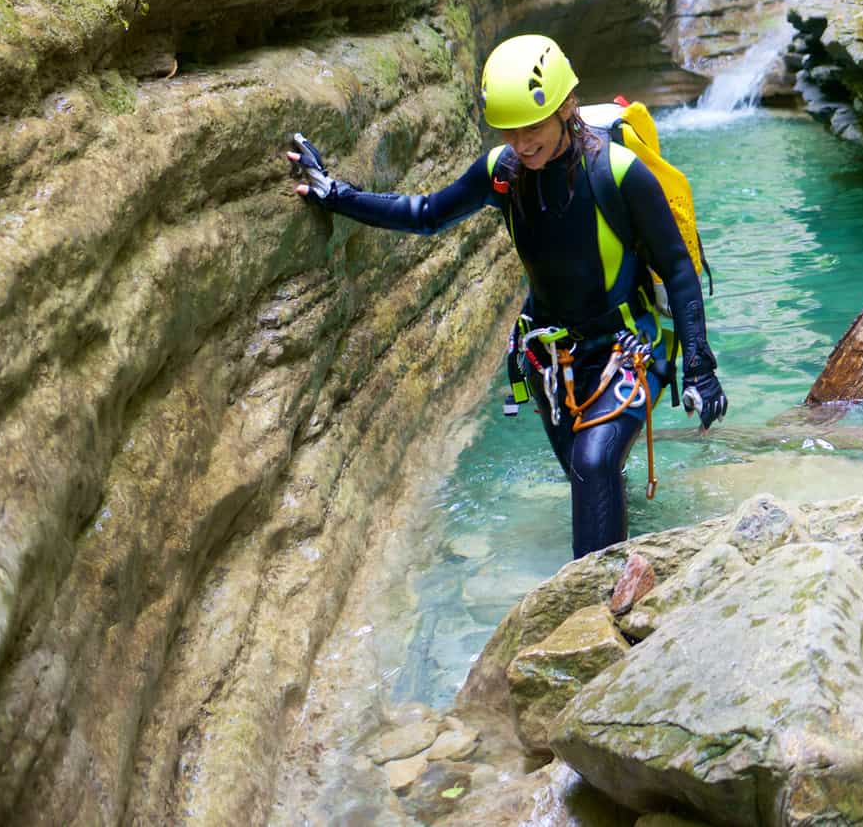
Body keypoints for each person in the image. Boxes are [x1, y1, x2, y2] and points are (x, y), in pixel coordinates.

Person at [284, 33, 724, 558]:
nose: (522, 143)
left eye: (532, 127)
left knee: (593, 463)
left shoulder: (619, 173)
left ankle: (594, 612)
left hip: (627, 345)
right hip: (549, 356)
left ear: (566, 107)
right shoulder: (503, 173)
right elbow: (425, 215)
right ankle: (626, 558)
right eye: (509, 131)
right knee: (584, 470)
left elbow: (677, 267)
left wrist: (698, 363)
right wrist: (337, 194)